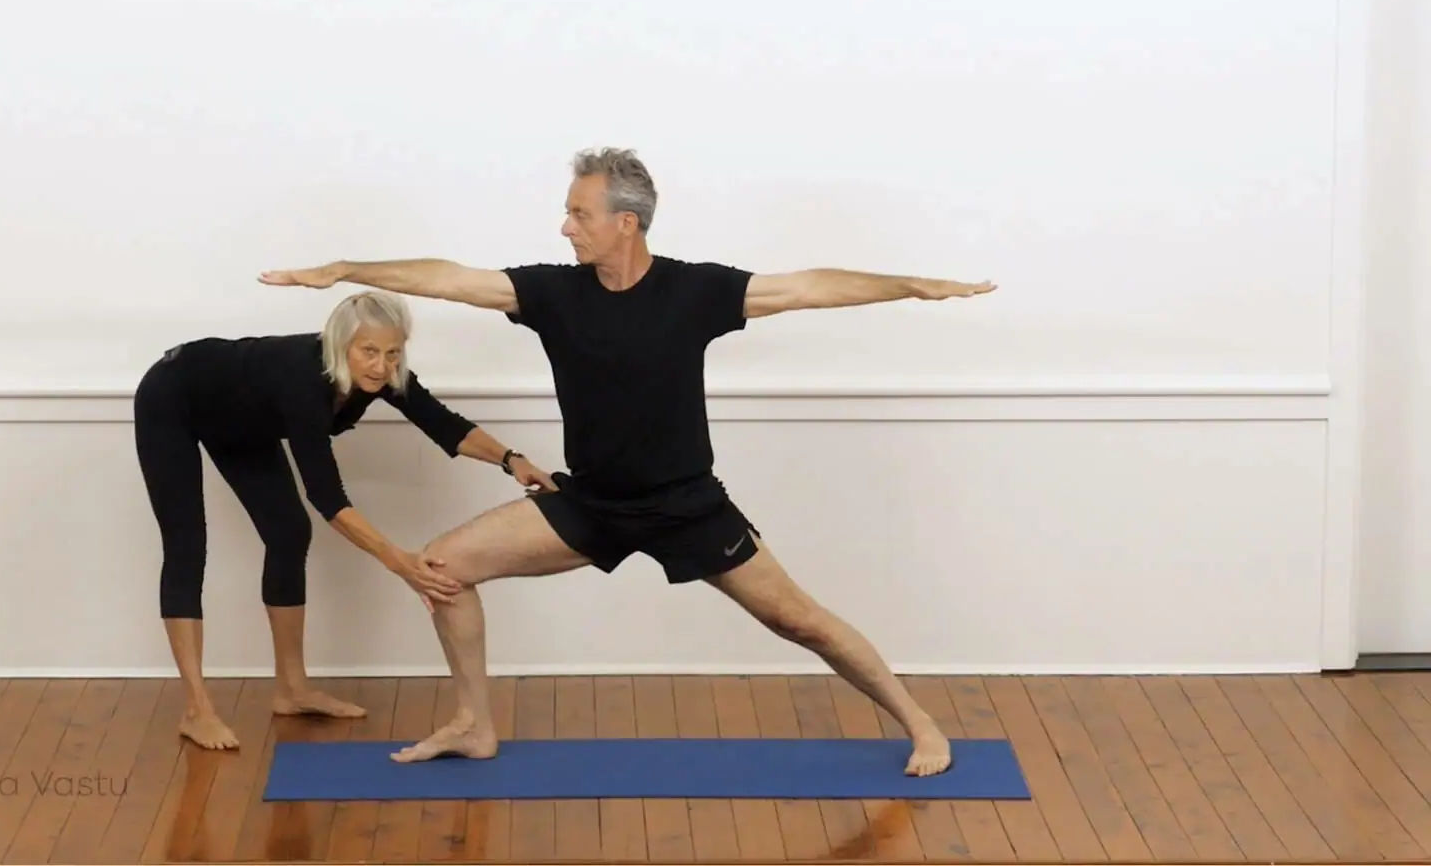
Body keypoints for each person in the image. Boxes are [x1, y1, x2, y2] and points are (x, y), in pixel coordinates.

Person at [257, 148, 996, 776]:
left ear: (625, 223)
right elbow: (452, 277)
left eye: (578, 214)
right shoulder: (552, 292)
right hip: (591, 506)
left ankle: (919, 722)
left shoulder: (695, 291)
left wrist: (910, 285)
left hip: (686, 506)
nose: (564, 226)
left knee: (802, 623)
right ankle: (475, 724)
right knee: (443, 569)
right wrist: (349, 268)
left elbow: (806, 287)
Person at [132, 288, 555, 750]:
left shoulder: (387, 375)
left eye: (392, 353)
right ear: (341, 345)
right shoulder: (304, 382)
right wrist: (400, 563)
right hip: (173, 399)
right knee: (187, 546)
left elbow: (444, 424)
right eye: (368, 351)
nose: (380, 365)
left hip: (243, 420)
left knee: (289, 534)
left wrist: (512, 460)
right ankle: (196, 709)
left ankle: (292, 689)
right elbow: (328, 496)